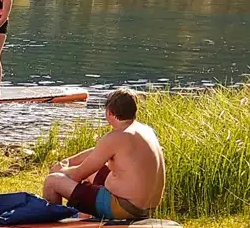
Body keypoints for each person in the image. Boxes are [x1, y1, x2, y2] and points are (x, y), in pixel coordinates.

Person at [42, 88, 165, 220]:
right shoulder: (145, 130)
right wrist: (68, 161)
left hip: (124, 208)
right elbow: (97, 153)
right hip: (145, 208)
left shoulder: (115, 137)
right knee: (91, 172)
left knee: (52, 181)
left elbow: (77, 175)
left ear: (109, 113)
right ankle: (83, 216)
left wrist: (60, 171)